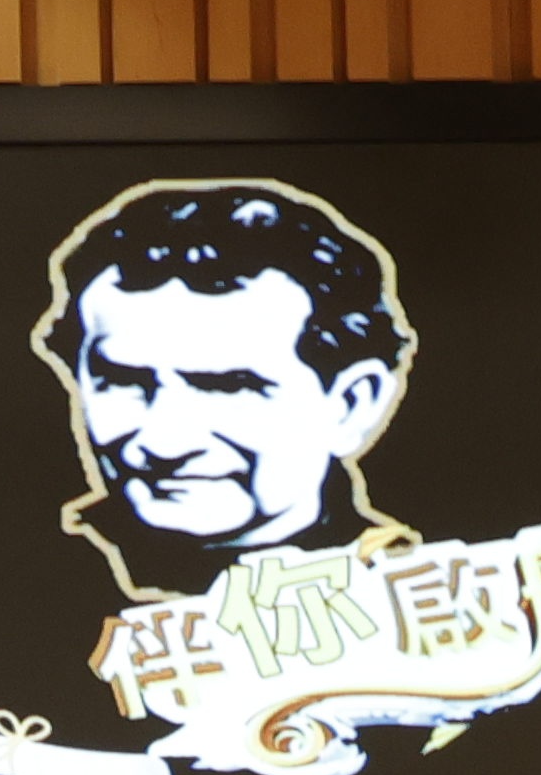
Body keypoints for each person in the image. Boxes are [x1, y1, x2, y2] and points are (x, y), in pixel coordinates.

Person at [35, 176, 416, 596]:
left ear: (352, 404)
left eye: (228, 388)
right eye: (124, 381)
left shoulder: (411, 594)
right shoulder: (20, 571)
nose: (165, 443)